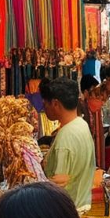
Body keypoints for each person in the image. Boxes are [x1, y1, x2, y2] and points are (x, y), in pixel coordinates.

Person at [41, 77, 97, 209]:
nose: (45, 109)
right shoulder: (81, 124)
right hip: (81, 204)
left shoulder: (65, 136)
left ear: (55, 104)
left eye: (45, 105)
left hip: (69, 210)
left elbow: (58, 185)